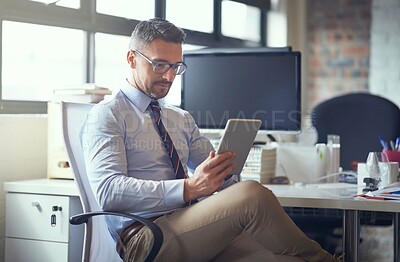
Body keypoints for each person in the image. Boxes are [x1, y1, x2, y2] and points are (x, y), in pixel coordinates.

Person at [82, 18, 341, 262]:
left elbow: (212, 173)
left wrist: (224, 172)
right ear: (131, 59)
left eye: (176, 67)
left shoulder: (179, 117)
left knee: (287, 257)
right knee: (251, 194)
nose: (169, 77)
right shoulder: (108, 115)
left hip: (195, 223)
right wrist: (190, 188)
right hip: (147, 236)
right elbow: (110, 192)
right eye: (159, 64)